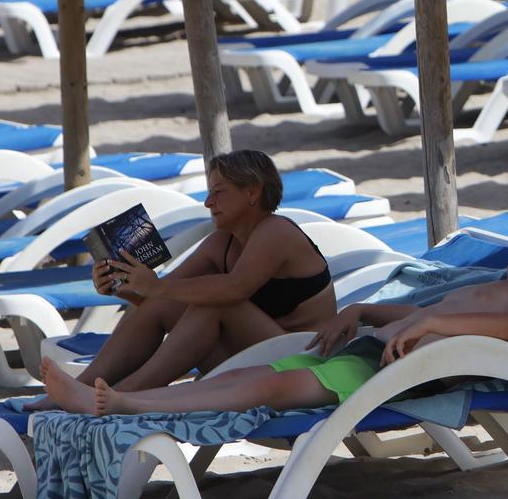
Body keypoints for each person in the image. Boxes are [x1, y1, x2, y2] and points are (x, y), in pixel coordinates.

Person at [35, 208, 508, 417]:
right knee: (252, 378)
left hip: (398, 371)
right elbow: (414, 309)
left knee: (266, 387)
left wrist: (429, 324)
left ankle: (122, 402)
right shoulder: (499, 281)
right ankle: (120, 398)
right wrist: (365, 309)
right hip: (379, 352)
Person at [17, 150, 339, 411]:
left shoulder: (276, 231)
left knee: (215, 306)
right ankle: (85, 386)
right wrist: (123, 286)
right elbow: (161, 303)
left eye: (219, 193)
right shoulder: (222, 243)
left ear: (253, 192)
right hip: (260, 357)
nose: (208, 202)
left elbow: (235, 288)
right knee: (170, 306)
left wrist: (156, 286)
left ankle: (120, 396)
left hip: (306, 362)